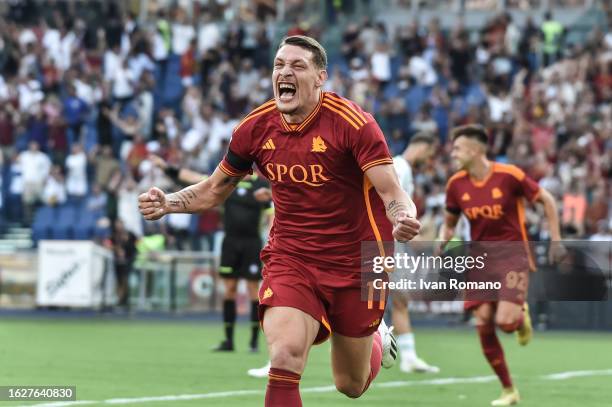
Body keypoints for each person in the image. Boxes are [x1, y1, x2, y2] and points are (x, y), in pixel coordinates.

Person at [139, 35, 420, 405]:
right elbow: (214, 188)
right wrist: (169, 202)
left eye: (297, 66)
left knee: (350, 385)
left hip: (357, 263)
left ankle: (376, 339)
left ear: (321, 77)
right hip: (292, 259)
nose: (284, 72)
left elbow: (393, 193)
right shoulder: (255, 128)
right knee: (285, 355)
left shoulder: (354, 124)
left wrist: (404, 216)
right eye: (278, 65)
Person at [440, 124, 564, 406]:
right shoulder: (455, 184)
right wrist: (441, 242)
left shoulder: (509, 176)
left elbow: (547, 199)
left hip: (512, 256)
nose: (453, 153)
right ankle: (509, 390)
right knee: (483, 322)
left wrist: (556, 239)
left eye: (457, 148)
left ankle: (520, 316)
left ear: (474, 150)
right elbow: (449, 224)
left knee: (505, 324)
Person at [150, 154, 271, 353]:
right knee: (229, 290)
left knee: (252, 291)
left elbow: (270, 213)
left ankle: (253, 342)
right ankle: (228, 341)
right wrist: (166, 167)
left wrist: (271, 207)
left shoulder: (261, 186)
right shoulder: (228, 181)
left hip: (251, 243)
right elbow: (194, 179)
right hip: (230, 242)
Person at [390, 131, 440, 374]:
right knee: (376, 302)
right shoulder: (400, 167)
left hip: (393, 244)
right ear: (423, 147)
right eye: (430, 154)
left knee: (400, 299)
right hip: (384, 243)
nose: (429, 160)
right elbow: (385, 203)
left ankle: (408, 357)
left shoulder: (403, 168)